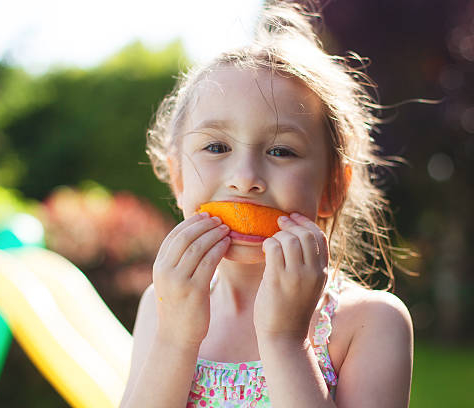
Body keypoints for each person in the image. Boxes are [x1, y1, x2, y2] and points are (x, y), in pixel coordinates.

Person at [120, 2, 413, 407]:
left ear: (332, 187)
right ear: (178, 178)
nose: (245, 178)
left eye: (281, 150)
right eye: (216, 146)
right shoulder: (160, 307)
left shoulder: (369, 323)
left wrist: (285, 342)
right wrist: (175, 339)